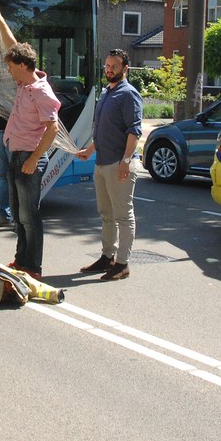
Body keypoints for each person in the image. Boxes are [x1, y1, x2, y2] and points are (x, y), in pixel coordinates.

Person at [77, 48, 142, 281]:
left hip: (118, 164)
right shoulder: (106, 92)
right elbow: (104, 130)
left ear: (126, 69)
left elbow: (134, 131)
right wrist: (89, 151)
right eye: (107, 65)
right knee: (106, 214)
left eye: (114, 66)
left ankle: (122, 264)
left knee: (123, 216)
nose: (109, 69)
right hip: (102, 162)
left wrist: (126, 161)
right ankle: (108, 257)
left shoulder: (129, 94)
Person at [1, 40, 60, 279]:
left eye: (12, 66)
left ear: (24, 65)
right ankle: (21, 260)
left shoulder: (40, 91)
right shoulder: (23, 84)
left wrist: (34, 159)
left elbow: (53, 128)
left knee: (29, 215)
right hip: (17, 155)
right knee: (17, 214)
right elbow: (11, 42)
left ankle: (33, 267)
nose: (9, 71)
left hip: (29, 157)